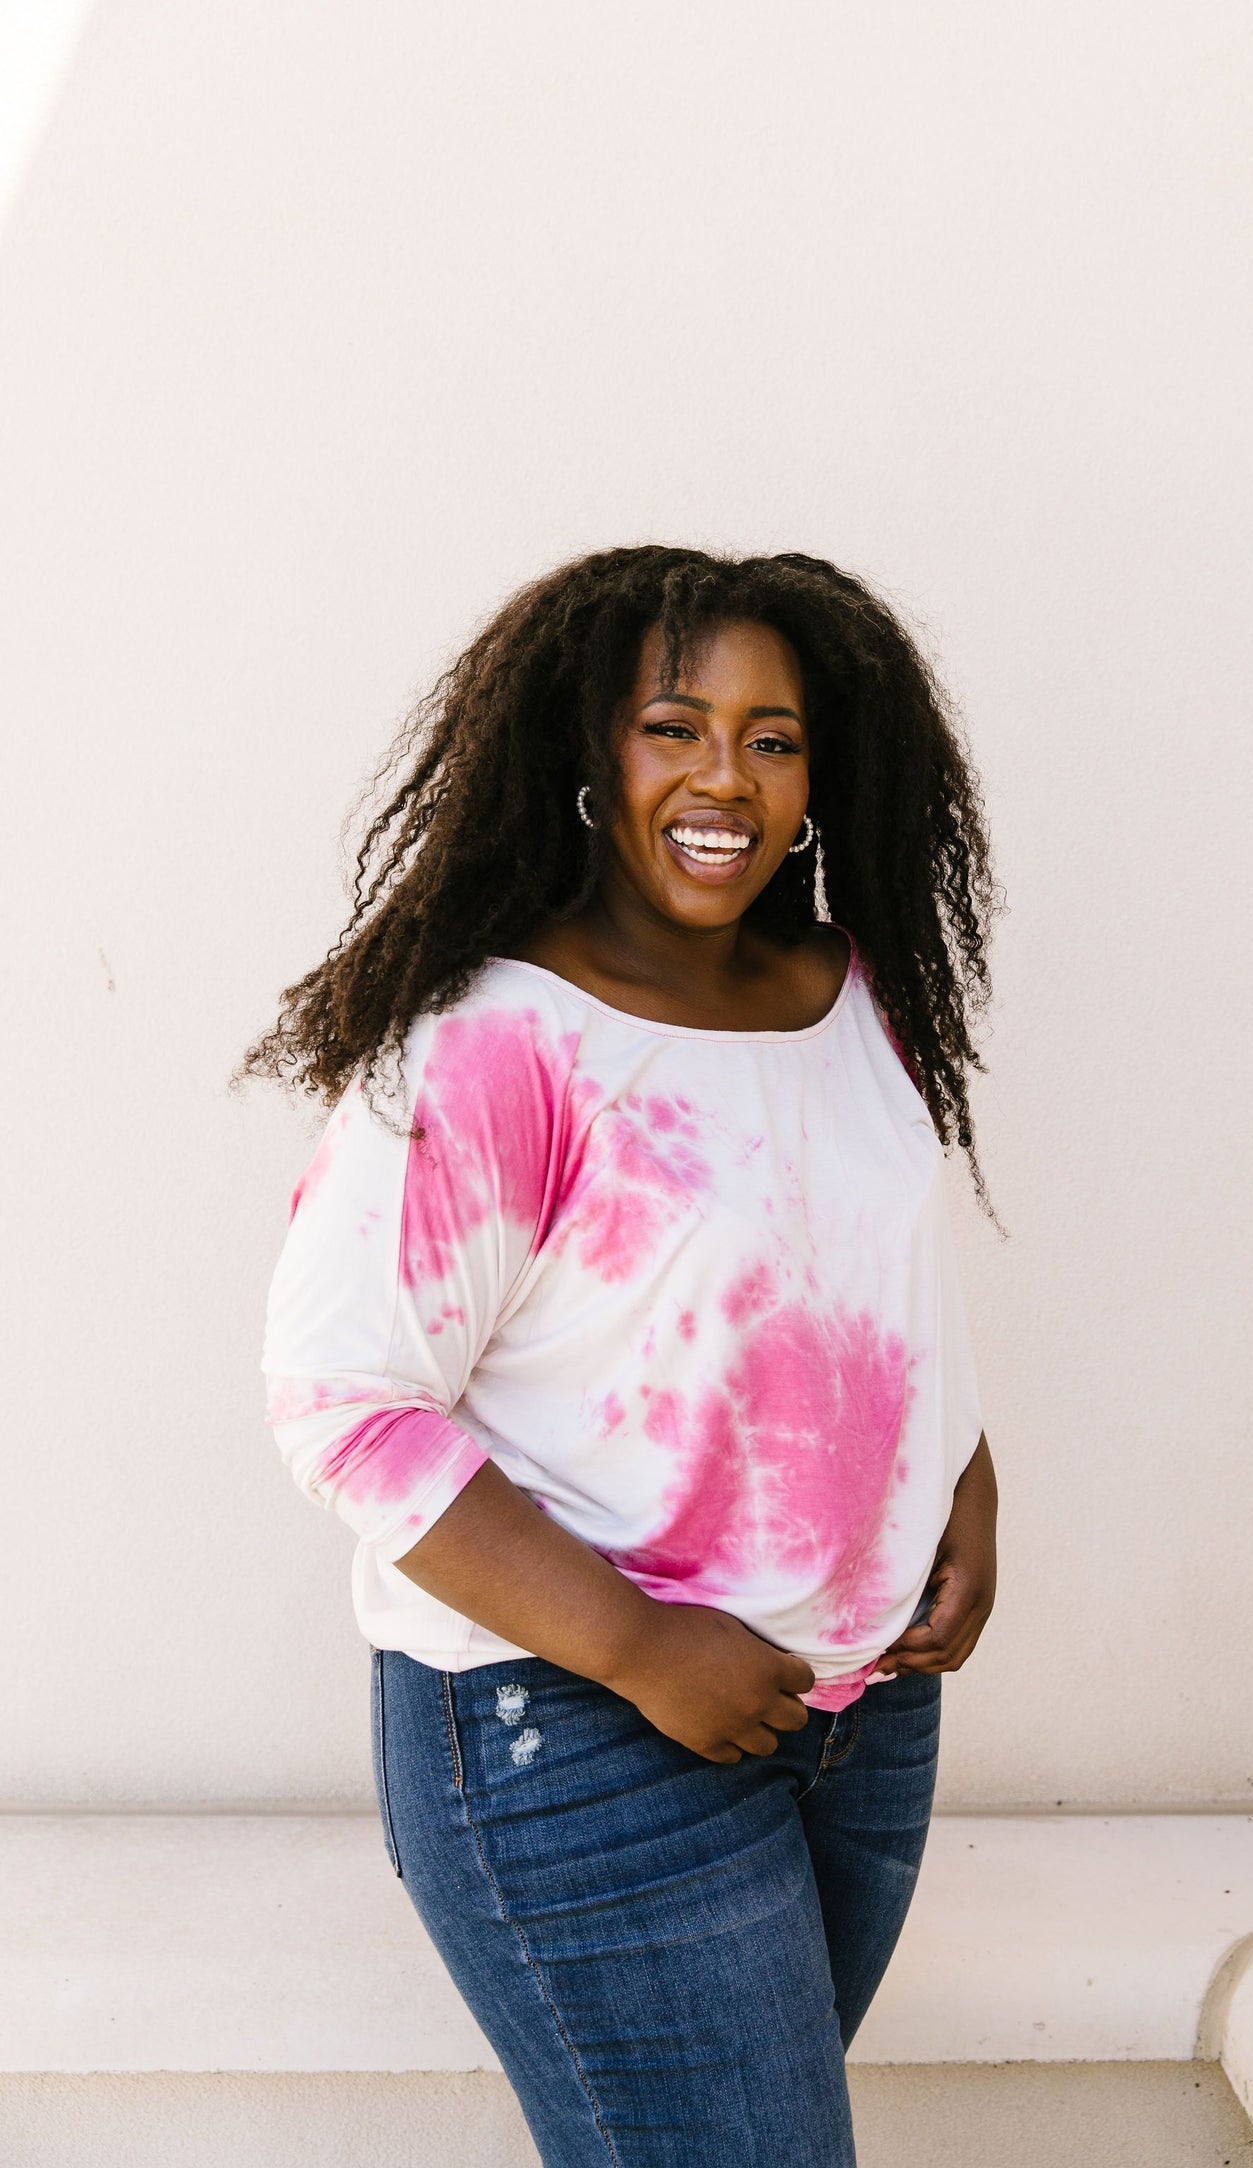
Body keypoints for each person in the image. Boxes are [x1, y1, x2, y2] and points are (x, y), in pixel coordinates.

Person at [243, 545, 1002, 2166]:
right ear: (591, 754)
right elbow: (345, 1403)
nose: (725, 774)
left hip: (853, 1714)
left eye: (773, 737)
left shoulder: (852, 994)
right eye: (675, 726)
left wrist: (964, 1483)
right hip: (574, 1723)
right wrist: (640, 1648)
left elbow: (863, 1285)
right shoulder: (492, 1043)